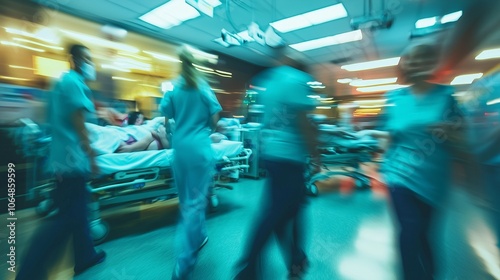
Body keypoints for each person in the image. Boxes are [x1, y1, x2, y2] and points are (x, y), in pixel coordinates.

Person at [363, 43, 464, 280]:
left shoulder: (446, 96)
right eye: (413, 59)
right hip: (400, 175)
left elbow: (460, 129)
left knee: (426, 234)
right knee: (409, 230)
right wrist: (373, 148)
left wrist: (451, 128)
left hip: (433, 178)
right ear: (406, 63)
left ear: (433, 63)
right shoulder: (395, 97)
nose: (418, 63)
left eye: (425, 58)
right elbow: (386, 133)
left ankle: (430, 273)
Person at [16, 44, 105, 280]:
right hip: (72, 161)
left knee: (78, 210)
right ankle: (29, 272)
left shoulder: (60, 82)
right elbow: (79, 125)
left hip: (61, 159)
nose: (90, 63)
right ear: (74, 59)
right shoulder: (74, 83)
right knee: (66, 216)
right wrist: (93, 157)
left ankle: (85, 255)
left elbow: (51, 118)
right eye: (86, 58)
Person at [234, 48, 320, 279]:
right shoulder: (298, 80)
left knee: (287, 212)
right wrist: (317, 155)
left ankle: (295, 259)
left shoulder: (268, 81)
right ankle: (249, 266)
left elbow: (268, 120)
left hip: (272, 155)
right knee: (276, 214)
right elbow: (304, 124)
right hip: (290, 158)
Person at [159, 46, 222, 280]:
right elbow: (216, 115)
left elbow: (166, 121)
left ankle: (200, 235)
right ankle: (184, 264)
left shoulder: (173, 86)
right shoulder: (202, 85)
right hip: (198, 149)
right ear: (194, 62)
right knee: (195, 204)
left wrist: (176, 133)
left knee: (186, 200)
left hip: (180, 149)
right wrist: (207, 130)